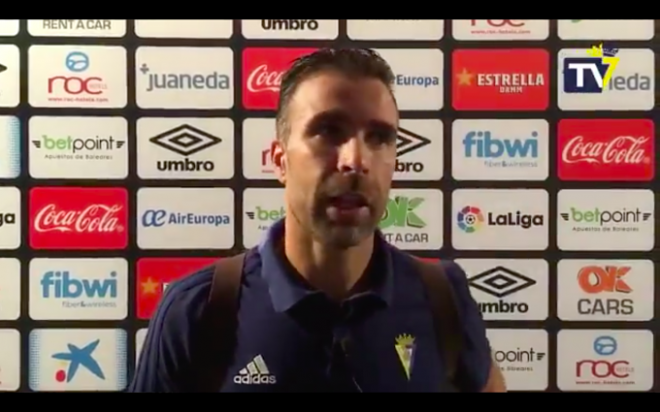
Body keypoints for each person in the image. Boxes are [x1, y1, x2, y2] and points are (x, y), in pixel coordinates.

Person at [130, 48, 506, 393]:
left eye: (379, 137)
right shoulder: (198, 309)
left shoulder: (444, 296)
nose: (355, 159)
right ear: (279, 160)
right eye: (328, 130)